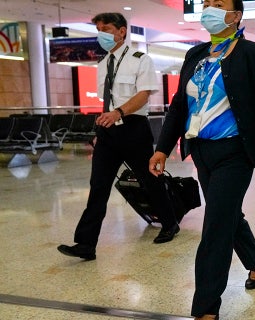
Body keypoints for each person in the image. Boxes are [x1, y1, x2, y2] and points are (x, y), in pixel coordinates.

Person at [148, 1, 255, 319]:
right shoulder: (195, 55)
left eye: (219, 3)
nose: (210, 7)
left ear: (236, 15)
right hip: (201, 151)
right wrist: (162, 147)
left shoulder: (254, 53)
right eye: (208, 2)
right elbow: (178, 105)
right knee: (226, 214)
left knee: (215, 227)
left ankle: (205, 309)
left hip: (236, 153)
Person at [57, 12, 180, 261]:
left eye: (107, 28)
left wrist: (118, 112)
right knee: (98, 186)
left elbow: (144, 95)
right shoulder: (103, 64)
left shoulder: (140, 59)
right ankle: (86, 244)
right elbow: (107, 100)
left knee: (149, 179)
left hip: (133, 128)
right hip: (108, 131)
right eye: (99, 29)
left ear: (122, 31)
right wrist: (103, 126)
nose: (102, 33)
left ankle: (170, 223)